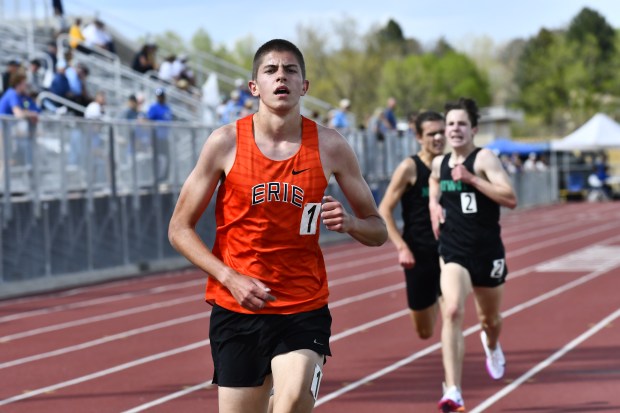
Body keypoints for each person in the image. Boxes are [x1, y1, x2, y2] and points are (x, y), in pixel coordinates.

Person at [168, 38, 387, 413]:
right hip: (238, 308)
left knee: (293, 400)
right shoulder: (224, 143)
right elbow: (179, 229)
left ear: (305, 86)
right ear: (254, 87)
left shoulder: (330, 145)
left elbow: (378, 229)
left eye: (291, 70)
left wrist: (350, 222)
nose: (281, 77)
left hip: (303, 307)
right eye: (270, 70)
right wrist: (229, 277)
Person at [428, 97, 517, 412]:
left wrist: (472, 180)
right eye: (450, 124)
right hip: (454, 251)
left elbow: (510, 198)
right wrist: (433, 203)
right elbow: (434, 181)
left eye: (461, 124)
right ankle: (453, 389)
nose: (454, 129)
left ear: (474, 129)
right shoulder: (439, 163)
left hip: (487, 252)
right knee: (451, 310)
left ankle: (491, 344)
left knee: (489, 320)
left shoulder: (484, 159)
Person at [378, 111, 446, 341]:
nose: (438, 138)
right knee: (425, 331)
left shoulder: (453, 164)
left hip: (450, 252)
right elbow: (384, 210)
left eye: (442, 132)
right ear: (418, 137)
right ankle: (435, 298)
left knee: (453, 314)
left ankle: (453, 374)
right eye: (431, 133)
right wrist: (401, 247)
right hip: (419, 255)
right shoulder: (410, 167)